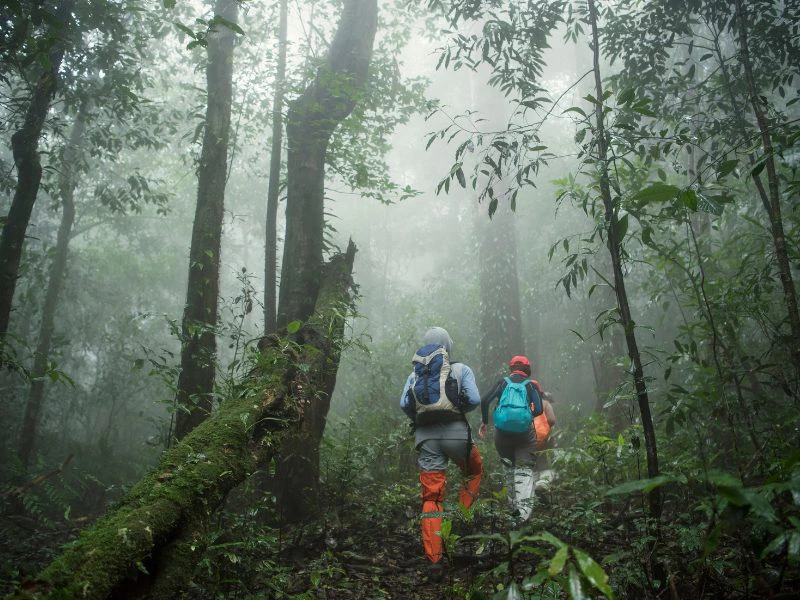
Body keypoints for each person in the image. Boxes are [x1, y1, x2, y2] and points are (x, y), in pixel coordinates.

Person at [400, 327, 482, 576]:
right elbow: (475, 399)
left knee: (432, 498)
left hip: (427, 437)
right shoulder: (460, 369)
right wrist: (457, 409)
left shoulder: (415, 374)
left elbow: (404, 404)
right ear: (448, 345)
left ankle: (434, 560)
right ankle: (461, 520)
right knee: (473, 472)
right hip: (457, 434)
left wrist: (422, 417)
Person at [478, 355, 543, 521]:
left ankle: (511, 508)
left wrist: (485, 422)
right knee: (524, 470)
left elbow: (485, 401)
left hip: (502, 434)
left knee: (508, 467)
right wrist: (526, 415)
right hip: (525, 435)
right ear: (527, 369)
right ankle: (523, 515)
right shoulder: (531, 385)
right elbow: (539, 410)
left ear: (512, 368)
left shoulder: (503, 382)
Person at [532, 391, 557, 496]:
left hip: (526, 440)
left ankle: (533, 488)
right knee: (546, 465)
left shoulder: (525, 403)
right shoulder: (545, 403)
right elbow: (551, 420)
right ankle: (542, 485)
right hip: (543, 440)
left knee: (532, 465)